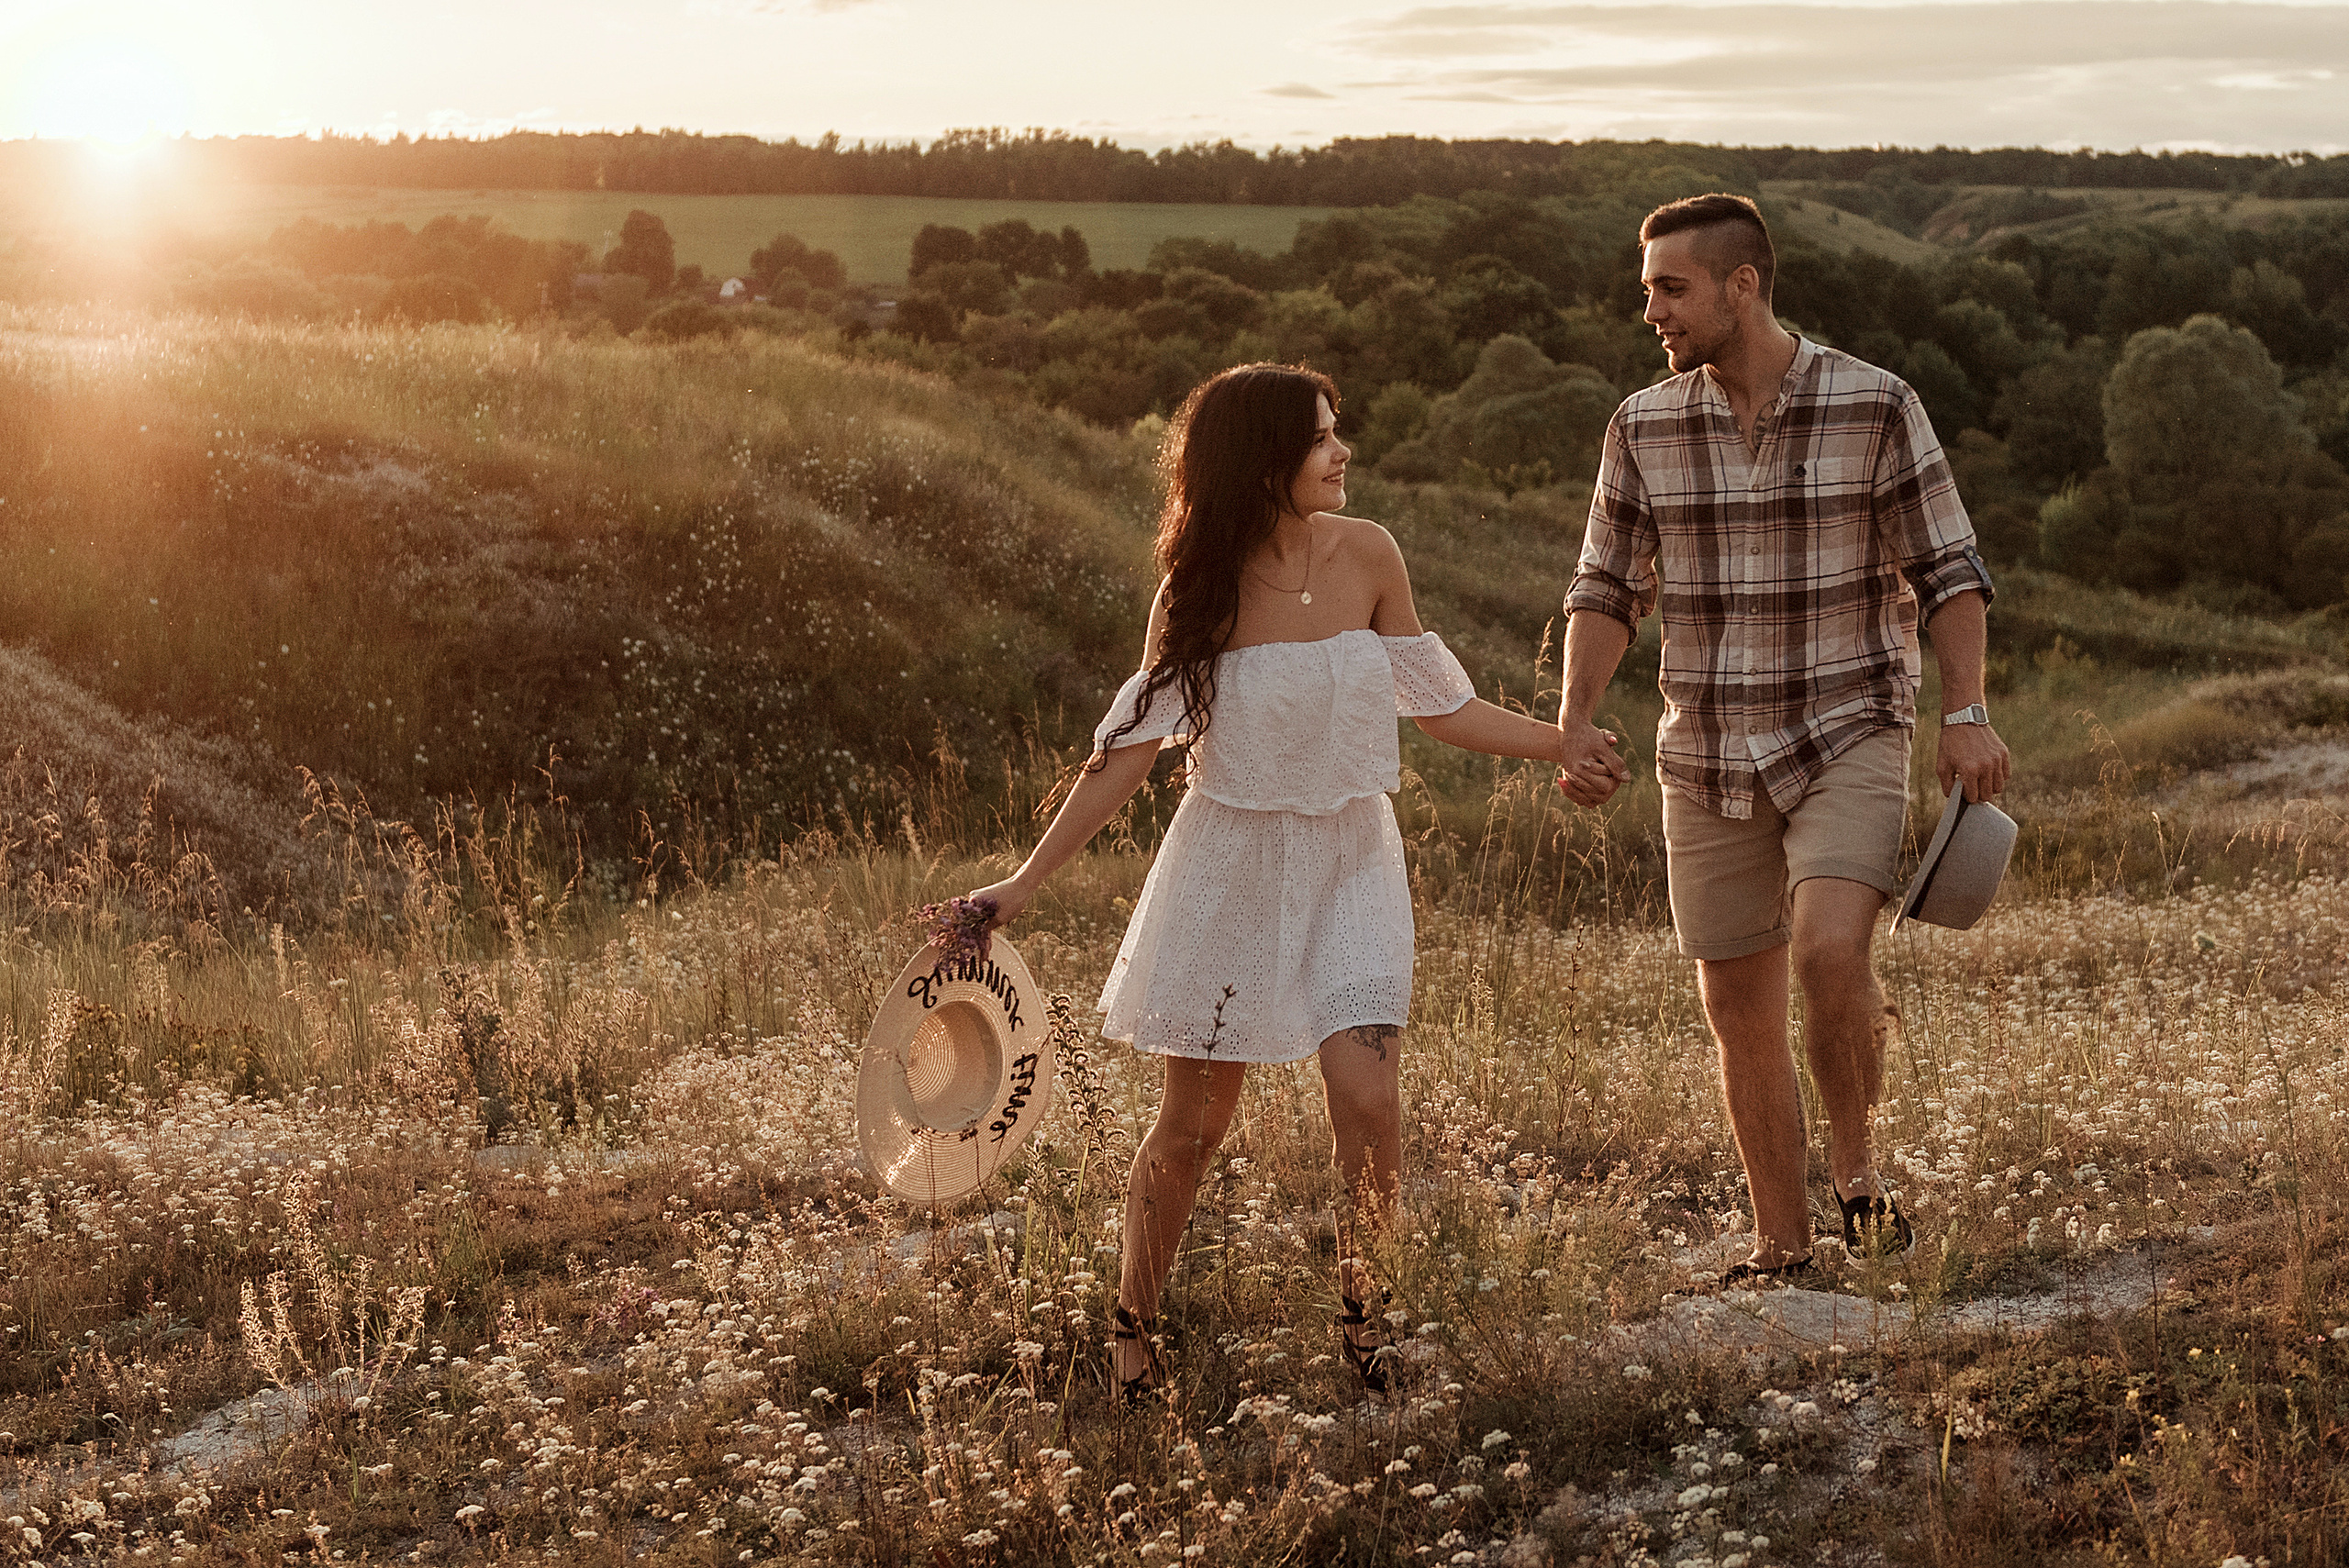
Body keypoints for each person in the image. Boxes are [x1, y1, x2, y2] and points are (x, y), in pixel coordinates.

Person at [965, 362, 1571, 1400]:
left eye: (1338, 431)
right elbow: (1128, 752)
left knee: (1368, 1094)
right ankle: (1132, 1330)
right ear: (1262, 461)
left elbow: (1440, 706)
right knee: (1195, 1125)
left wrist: (1564, 741)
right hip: (1230, 868)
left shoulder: (1370, 553)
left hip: (1353, 858)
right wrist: (1021, 882)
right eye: (1320, 438)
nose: (1342, 452)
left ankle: (1367, 1325)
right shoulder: (1197, 589)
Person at [1553, 194, 2010, 1284]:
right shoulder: (1641, 425)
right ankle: (1781, 1243)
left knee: (1828, 949)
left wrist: (1965, 711)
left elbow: (1949, 569)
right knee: (1736, 1003)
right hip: (1704, 744)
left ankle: (1855, 1170)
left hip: (1847, 722)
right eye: (1647, 291)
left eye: (1671, 289)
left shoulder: (1876, 403)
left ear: (1741, 284)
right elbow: (1605, 586)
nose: (1652, 312)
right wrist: (1572, 720)